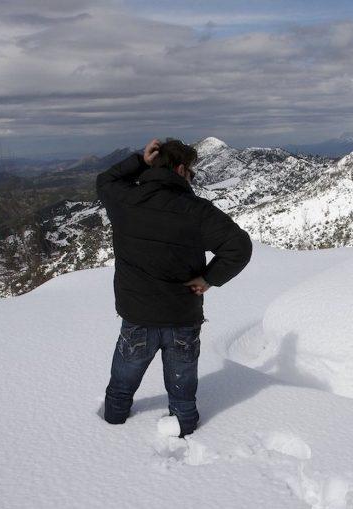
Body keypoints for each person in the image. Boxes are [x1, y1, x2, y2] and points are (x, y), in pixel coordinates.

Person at [96, 138, 252, 437]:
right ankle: (183, 437)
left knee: (122, 383)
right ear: (181, 170)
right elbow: (239, 246)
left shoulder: (125, 199)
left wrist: (140, 160)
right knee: (182, 390)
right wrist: (209, 278)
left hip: (137, 314)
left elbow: (105, 180)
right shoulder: (197, 211)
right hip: (182, 314)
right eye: (191, 171)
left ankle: (110, 428)